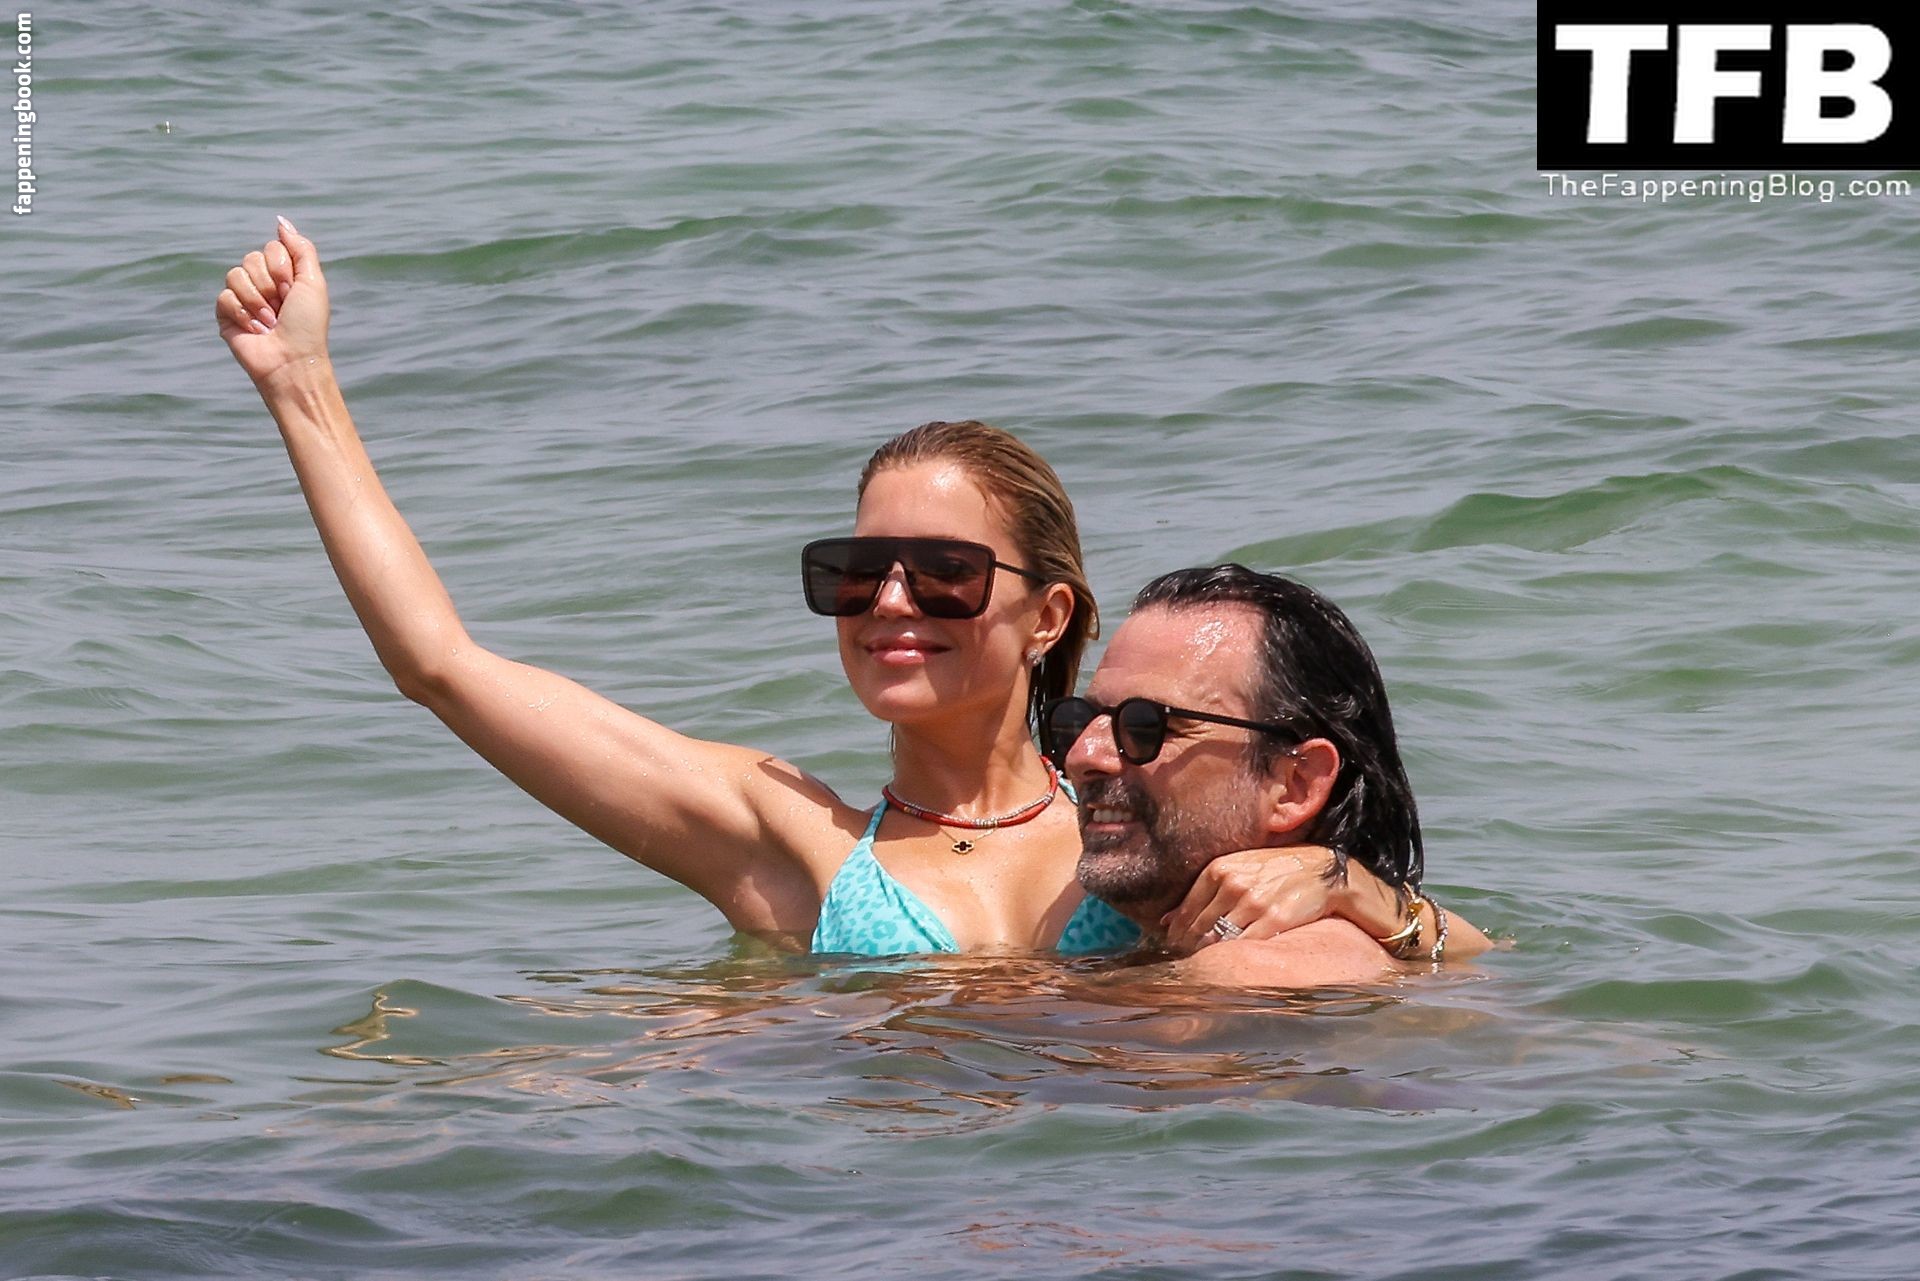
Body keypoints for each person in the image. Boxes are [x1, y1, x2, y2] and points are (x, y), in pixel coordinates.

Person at [214, 219, 1469, 957]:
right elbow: (440, 666)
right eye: (857, 574)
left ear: (1049, 615)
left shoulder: (1140, 814)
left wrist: (1357, 888)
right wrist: (300, 385)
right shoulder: (791, 842)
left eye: (945, 575)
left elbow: (1463, 957)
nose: (891, 605)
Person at [1042, 564, 1492, 985]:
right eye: (1082, 719)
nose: (1082, 756)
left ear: (1295, 785)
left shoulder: (1251, 972)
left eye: (1147, 726)